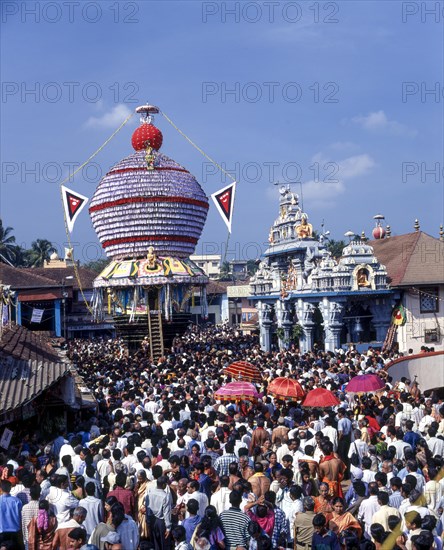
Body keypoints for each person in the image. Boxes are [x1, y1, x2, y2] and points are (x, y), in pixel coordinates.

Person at [145, 476, 172, 550]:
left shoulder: (149, 494)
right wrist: (168, 528)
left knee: (154, 542)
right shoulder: (165, 496)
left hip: (151, 520)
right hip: (161, 521)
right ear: (164, 485)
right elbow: (166, 512)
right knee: (164, 543)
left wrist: (147, 521)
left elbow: (147, 508)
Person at [0, 479, 23, 548]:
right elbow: (20, 517)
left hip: (2, 532)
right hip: (15, 532)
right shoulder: (17, 501)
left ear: (1, 489)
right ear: (10, 488)